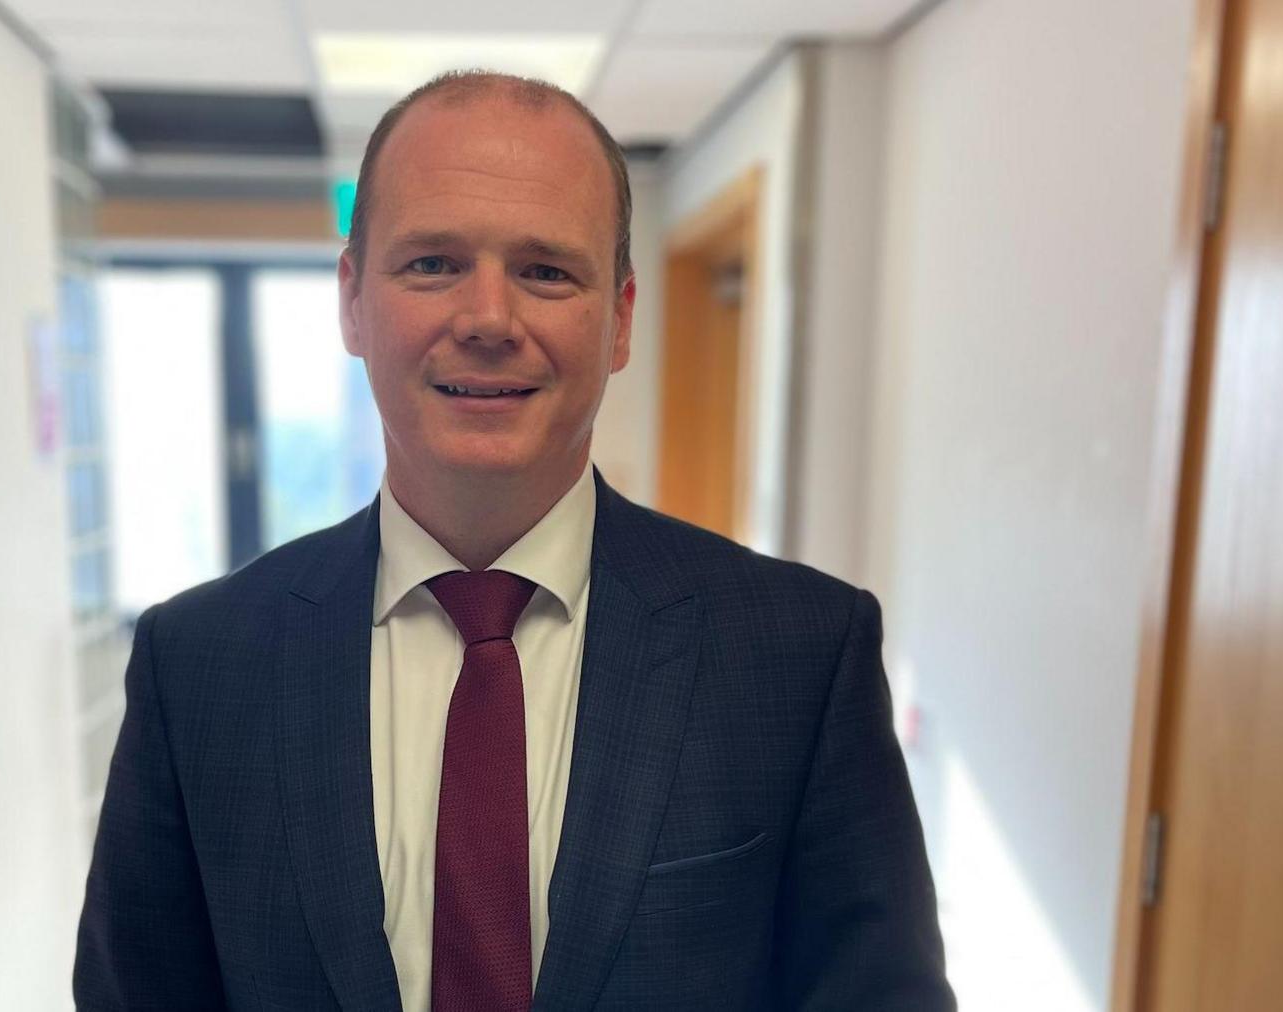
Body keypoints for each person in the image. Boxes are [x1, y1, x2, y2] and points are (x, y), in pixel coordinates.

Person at [74, 70, 952, 1011]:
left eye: (545, 271)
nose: (488, 320)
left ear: (618, 318)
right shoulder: (199, 666)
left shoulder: (799, 654)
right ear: (352, 303)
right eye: (432, 264)